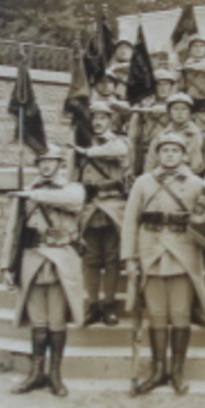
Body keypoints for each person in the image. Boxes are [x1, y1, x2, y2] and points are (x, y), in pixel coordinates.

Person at [123, 132, 205, 395]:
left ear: (184, 155)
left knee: (180, 315)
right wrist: (130, 258)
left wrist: (204, 212)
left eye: (175, 150)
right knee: (157, 316)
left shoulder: (197, 184)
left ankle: (177, 371)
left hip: (182, 254)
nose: (170, 155)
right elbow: (130, 222)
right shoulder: (142, 183)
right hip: (151, 251)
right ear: (157, 154)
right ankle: (158, 370)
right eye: (165, 150)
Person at [4, 144, 87, 397]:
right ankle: (36, 373)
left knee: (57, 321)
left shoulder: (72, 188)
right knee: (38, 323)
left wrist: (32, 195)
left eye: (52, 162)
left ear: (62, 165)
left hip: (61, 258)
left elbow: (73, 202)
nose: (47, 166)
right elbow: (13, 231)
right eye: (42, 162)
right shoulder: (27, 192)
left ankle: (55, 374)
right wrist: (7, 265)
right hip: (33, 259)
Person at [75, 101, 130, 327]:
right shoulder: (81, 144)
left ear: (110, 120)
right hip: (89, 207)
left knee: (112, 258)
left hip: (113, 206)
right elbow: (73, 176)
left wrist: (88, 151)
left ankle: (109, 304)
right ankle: (92, 304)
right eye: (94, 118)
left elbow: (120, 152)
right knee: (90, 259)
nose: (98, 122)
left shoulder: (119, 141)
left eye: (103, 118)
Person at [145, 91, 205, 176]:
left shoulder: (204, 139)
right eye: (175, 109)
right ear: (169, 112)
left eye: (184, 109)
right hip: (165, 182)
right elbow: (149, 168)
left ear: (190, 112)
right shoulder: (160, 138)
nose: (179, 112)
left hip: (194, 182)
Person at [127, 64, 180, 177]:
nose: (162, 88)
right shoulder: (143, 105)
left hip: (170, 152)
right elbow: (133, 136)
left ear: (171, 86)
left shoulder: (178, 105)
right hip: (146, 152)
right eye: (158, 84)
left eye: (166, 84)